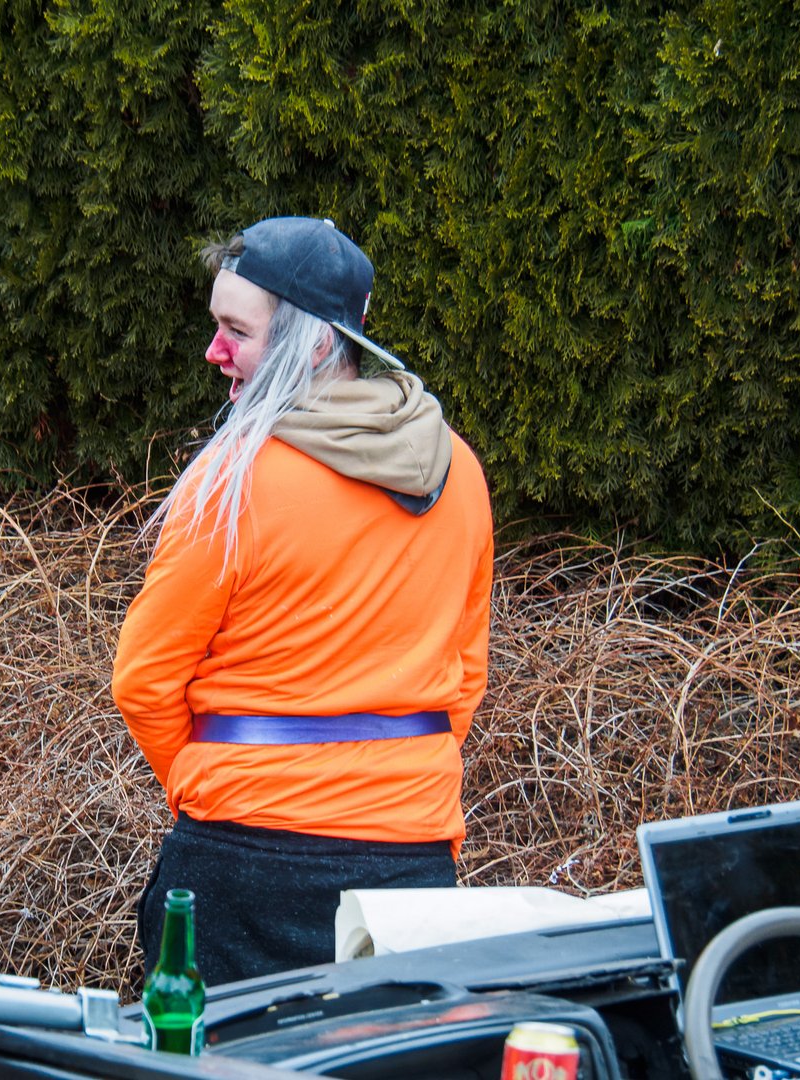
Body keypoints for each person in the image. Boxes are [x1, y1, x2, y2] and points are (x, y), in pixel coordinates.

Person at [111, 216, 494, 986]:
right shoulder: (458, 471)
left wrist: (218, 784)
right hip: (410, 861)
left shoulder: (232, 480)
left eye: (236, 331)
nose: (214, 351)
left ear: (316, 344)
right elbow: (466, 677)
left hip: (241, 861)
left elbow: (144, 682)